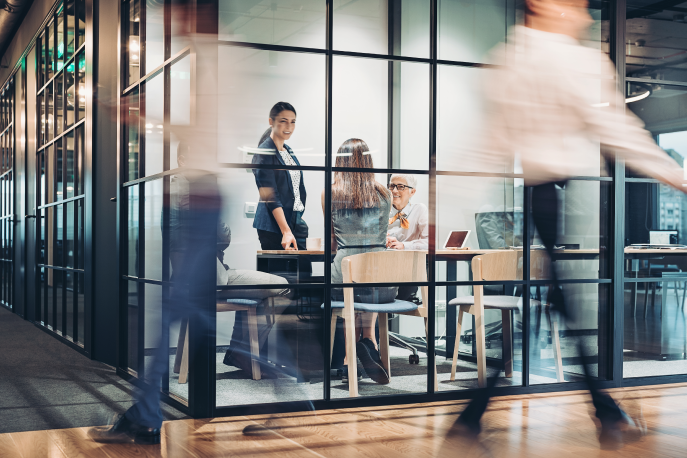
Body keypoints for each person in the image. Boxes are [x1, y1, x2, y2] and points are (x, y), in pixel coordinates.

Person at [451, 0, 685, 450]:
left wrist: (453, 187)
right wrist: (673, 174)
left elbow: (491, 139)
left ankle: (482, 416)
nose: (583, 9)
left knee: (552, 307)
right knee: (559, 308)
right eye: (573, 2)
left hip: (540, 194)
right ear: (543, 5)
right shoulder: (572, 60)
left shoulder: (511, 57)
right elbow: (616, 128)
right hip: (552, 196)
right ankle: (603, 412)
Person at [89, 166, 221, 445]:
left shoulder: (201, 190)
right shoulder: (192, 191)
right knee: (179, 336)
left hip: (197, 276)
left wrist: (183, 280)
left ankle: (145, 418)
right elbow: (208, 237)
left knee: (175, 336)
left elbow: (209, 238)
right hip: (196, 275)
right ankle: (145, 417)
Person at [322, 138, 396, 385]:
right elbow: (382, 236)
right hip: (384, 281)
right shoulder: (384, 193)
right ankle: (369, 341)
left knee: (350, 288)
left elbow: (332, 242)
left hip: (347, 274)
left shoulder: (330, 192)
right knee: (367, 282)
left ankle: (348, 358)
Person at [252, 102, 311, 280]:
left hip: (295, 221)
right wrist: (286, 230)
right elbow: (270, 196)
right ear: (271, 121)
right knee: (279, 281)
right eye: (284, 121)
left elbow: (295, 187)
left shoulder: (288, 151)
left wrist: (297, 218)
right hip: (274, 225)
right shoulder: (263, 152)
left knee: (303, 276)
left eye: (293, 122)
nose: (289, 127)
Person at [386, 174, 428, 301]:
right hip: (382, 267)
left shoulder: (419, 209)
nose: (394, 191)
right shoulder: (380, 210)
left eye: (400, 187)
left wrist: (404, 245)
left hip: (407, 270)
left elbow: (430, 242)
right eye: (392, 186)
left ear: (412, 192)